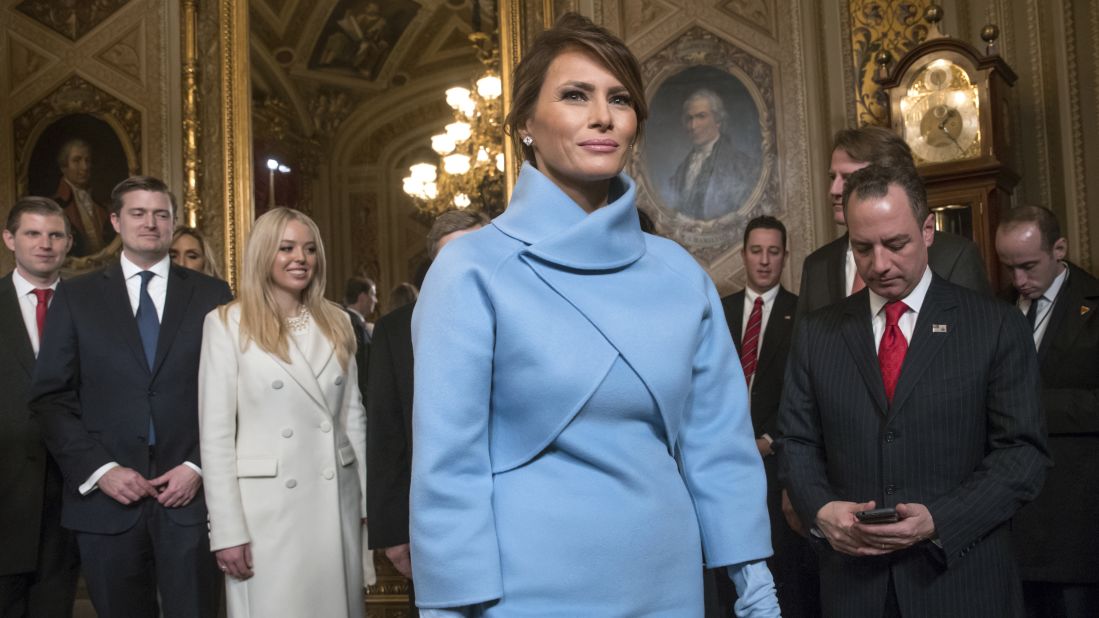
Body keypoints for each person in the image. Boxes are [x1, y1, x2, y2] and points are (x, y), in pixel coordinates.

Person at [409, 14, 779, 617]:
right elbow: (448, 469)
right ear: (525, 123)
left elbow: (718, 445)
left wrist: (755, 583)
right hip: (525, 589)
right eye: (575, 95)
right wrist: (446, 608)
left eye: (620, 99)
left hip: (668, 584)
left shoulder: (679, 275)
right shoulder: (473, 270)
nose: (602, 116)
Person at [777, 164, 1049, 617]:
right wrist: (821, 510)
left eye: (896, 244)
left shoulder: (994, 325)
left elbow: (1023, 454)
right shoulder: (817, 333)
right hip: (854, 589)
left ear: (927, 230)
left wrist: (940, 520)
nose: (879, 264)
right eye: (862, 248)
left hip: (963, 583)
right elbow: (796, 442)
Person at [29, 176, 231, 618]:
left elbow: (235, 395)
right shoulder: (75, 296)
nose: (151, 223)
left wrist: (198, 466)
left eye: (161, 214)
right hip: (106, 501)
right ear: (116, 220)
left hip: (190, 496)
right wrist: (101, 471)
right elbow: (51, 398)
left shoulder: (213, 296)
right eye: (138, 213)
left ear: (173, 222)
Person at [198, 207, 367, 618]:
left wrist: (366, 510)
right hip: (265, 514)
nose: (301, 258)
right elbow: (216, 436)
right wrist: (226, 531)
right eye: (287, 247)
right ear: (263, 254)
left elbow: (353, 420)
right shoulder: (226, 324)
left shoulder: (338, 322)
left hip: (335, 504)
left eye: (310, 249)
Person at [367, 209, 489, 604]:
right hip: (434, 521)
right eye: (451, 260)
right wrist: (393, 532)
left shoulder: (525, 318)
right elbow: (386, 435)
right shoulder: (394, 330)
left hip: (516, 514)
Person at [995, 206, 1099, 618]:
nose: (1019, 280)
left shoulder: (1094, 305)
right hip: (1012, 519)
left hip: (1074, 521)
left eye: (1028, 266)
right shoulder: (998, 307)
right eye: (1009, 268)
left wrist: (1029, 403)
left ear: (1059, 249)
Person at [714, 215, 818, 618]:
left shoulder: (803, 314)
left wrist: (771, 439)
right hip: (723, 462)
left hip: (777, 465)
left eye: (773, 252)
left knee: (780, 573)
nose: (763, 261)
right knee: (728, 574)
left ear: (785, 256)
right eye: (756, 251)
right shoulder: (718, 311)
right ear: (743, 255)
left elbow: (805, 391)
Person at [796, 126, 989, 318]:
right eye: (833, 177)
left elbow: (976, 335)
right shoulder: (817, 265)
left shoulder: (955, 256)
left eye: (849, 178)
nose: (834, 190)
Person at [0, 197, 80, 617]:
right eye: (33, 233)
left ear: (68, 243)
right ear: (10, 239)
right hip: (4, 493)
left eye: (55, 235)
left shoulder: (94, 308)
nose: (45, 244)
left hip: (70, 498)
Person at [668, 88, 757, 220]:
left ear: (718, 120)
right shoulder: (681, 170)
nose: (693, 125)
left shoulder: (741, 164)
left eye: (701, 116)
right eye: (689, 118)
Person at [51, 139, 114, 257]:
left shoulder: (100, 203)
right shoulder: (54, 206)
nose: (85, 167)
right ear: (64, 167)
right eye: (77, 160)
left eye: (87, 160)